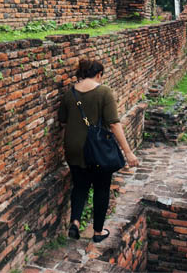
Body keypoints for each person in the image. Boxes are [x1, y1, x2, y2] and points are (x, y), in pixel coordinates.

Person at [58, 59, 140, 243]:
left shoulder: (69, 94)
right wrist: (128, 152)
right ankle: (97, 232)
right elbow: (113, 123)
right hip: (96, 149)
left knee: (80, 185)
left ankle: (76, 222)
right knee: (101, 189)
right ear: (98, 74)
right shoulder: (104, 92)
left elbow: (62, 120)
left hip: (73, 148)